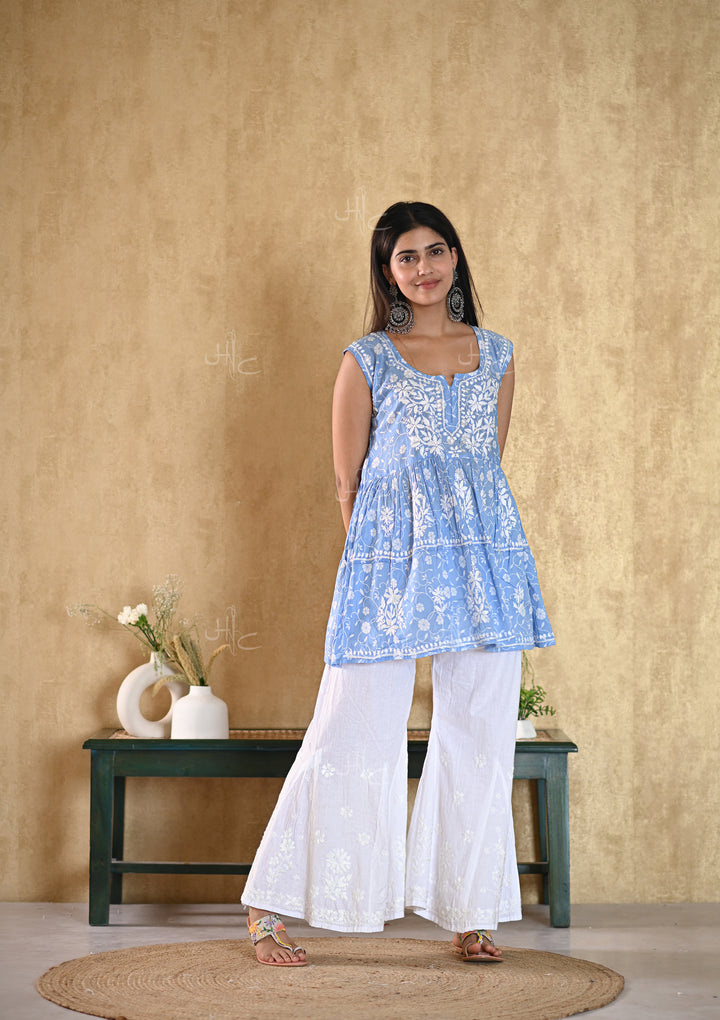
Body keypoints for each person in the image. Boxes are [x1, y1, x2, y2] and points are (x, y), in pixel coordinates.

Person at [241, 201, 555, 966]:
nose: (424, 268)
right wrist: (379, 570)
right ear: (387, 273)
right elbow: (347, 484)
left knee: (479, 734)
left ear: (456, 257)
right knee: (351, 724)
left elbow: (484, 470)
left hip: (482, 567)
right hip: (388, 568)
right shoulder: (367, 360)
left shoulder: (498, 355)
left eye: (435, 250)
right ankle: (267, 904)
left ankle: (471, 912)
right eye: (405, 257)